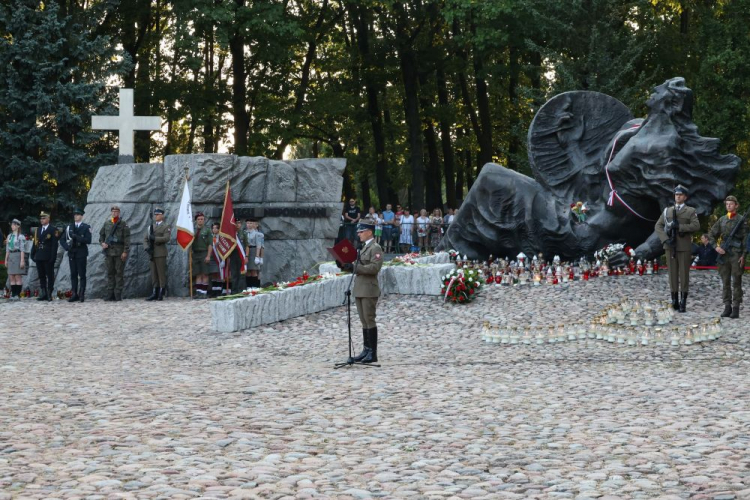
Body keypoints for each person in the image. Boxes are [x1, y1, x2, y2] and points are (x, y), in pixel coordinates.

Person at [654, 185, 700, 313]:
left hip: (683, 246)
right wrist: (665, 239)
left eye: (680, 195)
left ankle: (683, 300)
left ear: (685, 197)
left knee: (684, 274)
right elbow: (658, 226)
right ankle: (674, 299)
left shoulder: (690, 211)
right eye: (676, 195)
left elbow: (696, 225)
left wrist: (680, 226)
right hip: (670, 246)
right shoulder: (667, 211)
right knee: (672, 274)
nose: (678, 197)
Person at [348, 217, 384, 363]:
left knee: (369, 319)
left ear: (369, 232)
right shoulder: (364, 247)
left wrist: (356, 268)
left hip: (369, 288)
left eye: (361, 231)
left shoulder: (375, 248)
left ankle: (372, 353)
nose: (359, 234)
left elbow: (375, 267)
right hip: (360, 287)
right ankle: (366, 349)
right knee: (364, 321)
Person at [709, 195, 748, 318]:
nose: (729, 206)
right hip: (724, 254)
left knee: (737, 281)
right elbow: (711, 234)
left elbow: (746, 239)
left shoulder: (741, 220)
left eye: (731, 204)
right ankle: (727, 306)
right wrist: (716, 247)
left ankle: (735, 307)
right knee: (725, 281)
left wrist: (743, 255)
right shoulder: (722, 220)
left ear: (736, 205)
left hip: (736, 254)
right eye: (727, 204)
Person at [59, 208, 92, 302]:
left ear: (81, 216)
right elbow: (62, 240)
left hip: (81, 253)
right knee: (73, 274)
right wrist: (67, 247)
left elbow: (88, 240)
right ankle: (74, 294)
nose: (75, 216)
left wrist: (77, 237)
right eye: (75, 214)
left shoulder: (86, 227)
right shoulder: (69, 227)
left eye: (77, 214)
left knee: (82, 274)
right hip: (72, 253)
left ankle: (81, 294)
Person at [100, 206, 131, 301]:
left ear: (119, 213)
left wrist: (125, 251)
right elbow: (101, 235)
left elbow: (127, 239)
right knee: (110, 273)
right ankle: (110, 294)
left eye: (116, 211)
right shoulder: (107, 223)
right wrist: (103, 243)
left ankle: (117, 294)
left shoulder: (123, 224)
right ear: (111, 213)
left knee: (119, 273)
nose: (114, 213)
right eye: (113, 211)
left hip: (119, 252)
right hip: (109, 252)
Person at [31, 211, 59, 301]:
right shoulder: (38, 230)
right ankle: (43, 293)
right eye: (41, 218)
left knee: (49, 276)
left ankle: (49, 293)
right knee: (41, 275)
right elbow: (35, 243)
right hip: (39, 255)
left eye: (44, 218)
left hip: (48, 256)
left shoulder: (53, 230)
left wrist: (53, 257)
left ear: (48, 219)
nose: (42, 220)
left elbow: (55, 245)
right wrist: (33, 254)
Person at [144, 207, 171, 301]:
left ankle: (161, 292)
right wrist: (146, 247)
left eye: (158, 214)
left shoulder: (165, 226)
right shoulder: (151, 227)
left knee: (161, 273)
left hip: (160, 252)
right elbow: (145, 239)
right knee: (154, 274)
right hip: (152, 252)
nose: (156, 216)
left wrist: (155, 239)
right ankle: (154, 292)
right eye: (155, 214)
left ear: (162, 215)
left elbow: (166, 238)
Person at [4, 219, 27, 300]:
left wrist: (22, 260)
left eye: (14, 225)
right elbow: (7, 249)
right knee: (11, 276)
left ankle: (17, 294)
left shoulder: (21, 236)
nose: (12, 226)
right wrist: (6, 259)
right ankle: (13, 295)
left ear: (18, 226)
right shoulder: (9, 236)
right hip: (11, 256)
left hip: (17, 255)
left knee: (17, 276)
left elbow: (22, 249)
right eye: (12, 225)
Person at [192, 212, 212, 298]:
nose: (200, 221)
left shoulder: (207, 230)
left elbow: (210, 244)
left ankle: (204, 293)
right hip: (195, 253)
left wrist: (208, 256)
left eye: (202, 219)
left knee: (205, 273)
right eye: (199, 219)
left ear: (204, 220)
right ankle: (198, 292)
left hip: (204, 252)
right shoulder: (192, 230)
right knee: (198, 274)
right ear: (196, 220)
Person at [228, 218, 248, 294]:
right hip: (233, 255)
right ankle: (234, 291)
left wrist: (246, 256)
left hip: (242, 256)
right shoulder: (231, 234)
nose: (237, 225)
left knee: (241, 274)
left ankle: (241, 290)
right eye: (236, 223)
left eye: (239, 223)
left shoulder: (243, 233)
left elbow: (246, 246)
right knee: (234, 274)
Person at [245, 218, 264, 289]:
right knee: (247, 271)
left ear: (254, 224)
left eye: (251, 223)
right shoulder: (245, 233)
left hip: (253, 251)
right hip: (246, 252)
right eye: (247, 223)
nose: (249, 225)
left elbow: (259, 245)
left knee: (254, 270)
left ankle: (255, 287)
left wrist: (258, 256)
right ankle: (248, 287)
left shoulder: (258, 234)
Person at [208, 222, 224, 297]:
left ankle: (219, 290)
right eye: (213, 228)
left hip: (219, 257)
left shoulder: (221, 237)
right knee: (213, 274)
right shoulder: (211, 237)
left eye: (216, 228)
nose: (214, 229)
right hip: (212, 257)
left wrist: (223, 259)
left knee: (219, 274)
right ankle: (214, 290)